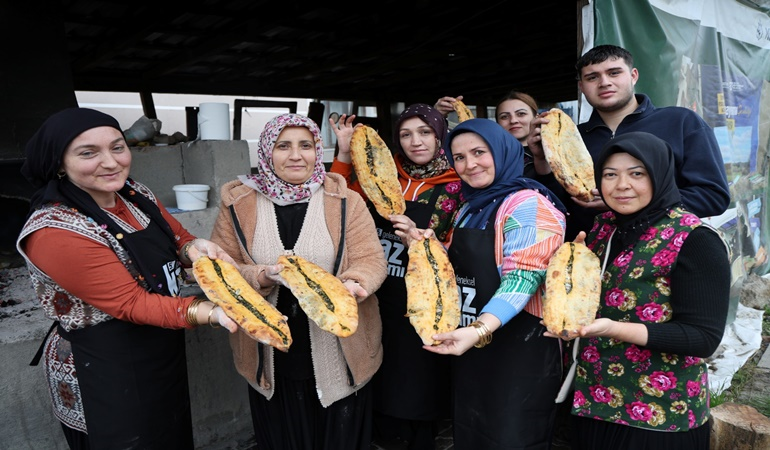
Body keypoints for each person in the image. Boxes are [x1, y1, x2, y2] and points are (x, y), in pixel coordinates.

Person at [16, 107, 238, 449]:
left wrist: (194, 248)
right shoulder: (55, 231)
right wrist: (215, 311)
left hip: (158, 347)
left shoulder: (135, 194)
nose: (110, 162)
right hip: (103, 366)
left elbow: (176, 237)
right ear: (60, 163)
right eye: (88, 153)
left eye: (117, 147)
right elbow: (129, 303)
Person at [208, 113, 387, 450]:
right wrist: (261, 275)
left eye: (305, 145)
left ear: (317, 150)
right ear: (266, 152)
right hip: (271, 353)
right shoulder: (238, 204)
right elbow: (221, 269)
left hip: (340, 349)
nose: (296, 155)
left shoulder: (345, 200)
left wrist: (353, 284)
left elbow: (371, 258)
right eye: (283, 146)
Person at [550, 131, 730, 450]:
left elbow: (703, 337)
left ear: (660, 174)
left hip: (657, 415)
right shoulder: (604, 228)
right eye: (610, 174)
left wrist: (612, 329)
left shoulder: (696, 239)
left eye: (637, 173)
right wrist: (568, 272)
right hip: (593, 401)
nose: (622, 185)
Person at [399, 118, 568, 449]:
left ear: (502, 151)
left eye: (479, 152)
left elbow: (523, 278)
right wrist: (425, 247)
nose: (469, 165)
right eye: (460, 157)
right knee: (473, 433)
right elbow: (459, 267)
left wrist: (478, 330)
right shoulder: (471, 205)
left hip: (519, 350)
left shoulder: (529, 205)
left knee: (512, 439)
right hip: (473, 347)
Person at [328, 103, 462, 449]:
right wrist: (344, 152)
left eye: (425, 132)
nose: (415, 141)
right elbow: (337, 200)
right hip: (375, 292)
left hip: (423, 298)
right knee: (378, 370)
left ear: (440, 136)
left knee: (418, 377)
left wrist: (421, 241)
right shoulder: (381, 177)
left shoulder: (457, 183)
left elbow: (459, 247)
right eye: (405, 134)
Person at [527, 44, 730, 241]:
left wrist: (624, 202)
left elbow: (713, 197)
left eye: (614, 73)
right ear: (581, 86)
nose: (604, 82)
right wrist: (543, 162)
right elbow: (554, 210)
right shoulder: (572, 138)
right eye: (592, 77)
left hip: (665, 254)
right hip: (591, 257)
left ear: (633, 76)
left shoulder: (681, 122)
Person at [435, 92, 569, 205]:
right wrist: (436, 117)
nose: (513, 120)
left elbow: (557, 199)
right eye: (504, 116)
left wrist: (541, 159)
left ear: (536, 117)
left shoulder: (558, 151)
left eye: (521, 114)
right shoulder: (477, 158)